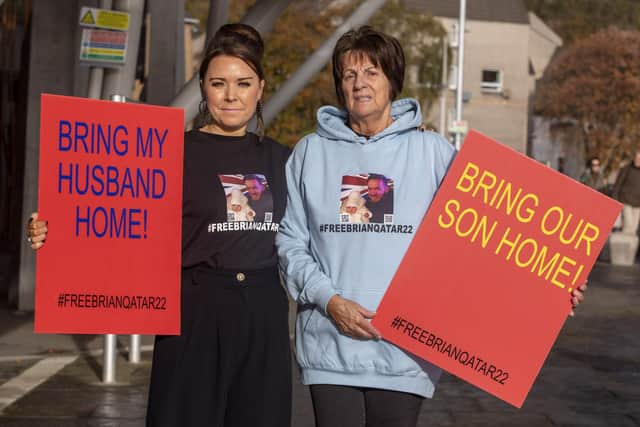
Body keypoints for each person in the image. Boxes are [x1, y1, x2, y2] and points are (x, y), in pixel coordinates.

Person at [275, 26, 586, 427]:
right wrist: (330, 301)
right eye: (349, 74)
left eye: (371, 72)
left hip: (405, 350)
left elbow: (490, 237)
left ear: (392, 80)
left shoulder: (435, 153)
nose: (359, 83)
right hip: (329, 343)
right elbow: (290, 242)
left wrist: (552, 283)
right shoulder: (310, 152)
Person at [27, 24, 292, 427]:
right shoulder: (170, 152)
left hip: (263, 317)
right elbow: (113, 217)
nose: (231, 95)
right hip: (193, 312)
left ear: (261, 87)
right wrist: (53, 231)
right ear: (203, 87)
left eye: (243, 83)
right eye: (218, 83)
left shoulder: (285, 159)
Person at [612, 149, 640, 235]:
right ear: (634, 158)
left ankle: (631, 247)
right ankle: (623, 245)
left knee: (634, 228)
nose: (638, 160)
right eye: (637, 158)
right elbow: (618, 185)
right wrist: (615, 198)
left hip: (638, 203)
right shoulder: (626, 169)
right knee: (628, 225)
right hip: (625, 200)